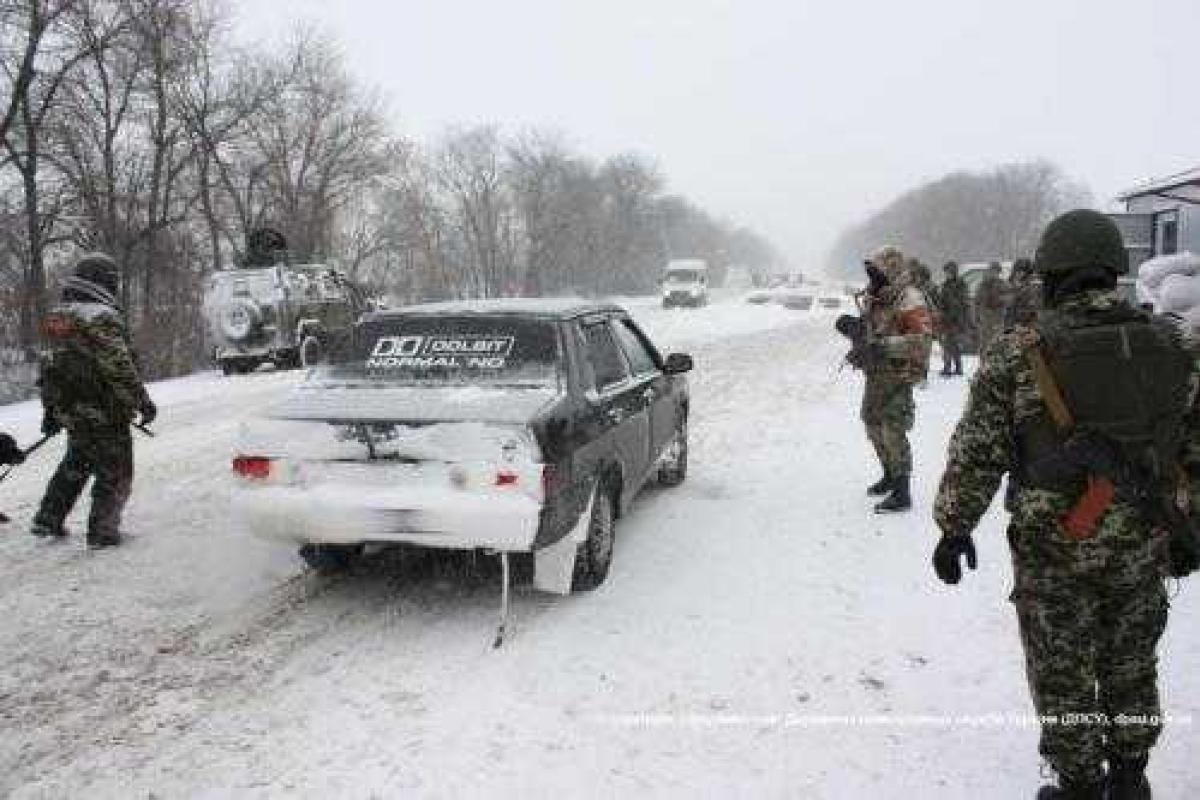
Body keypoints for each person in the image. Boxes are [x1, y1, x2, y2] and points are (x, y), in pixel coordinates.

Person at [930, 209, 1197, 800]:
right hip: (1143, 540)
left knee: (1063, 669)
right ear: (1114, 272)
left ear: (1051, 274)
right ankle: (1130, 777)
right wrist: (1186, 525)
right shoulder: (1176, 344)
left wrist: (954, 527)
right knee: (1131, 658)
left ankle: (1079, 785)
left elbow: (978, 449)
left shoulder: (1017, 353)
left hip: (1056, 548)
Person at [32, 252, 156, 547]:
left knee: (77, 461)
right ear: (103, 282)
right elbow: (118, 365)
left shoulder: (58, 316)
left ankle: (48, 517)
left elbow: (48, 367)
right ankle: (103, 531)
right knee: (116, 469)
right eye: (113, 282)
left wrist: (50, 409)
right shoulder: (100, 316)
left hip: (70, 408)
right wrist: (142, 401)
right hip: (105, 409)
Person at [859, 246, 934, 513]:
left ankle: (903, 491)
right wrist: (857, 337)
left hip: (900, 374)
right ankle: (890, 473)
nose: (872, 276)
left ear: (890, 268)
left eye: (877, 271)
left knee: (893, 429)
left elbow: (922, 341)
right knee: (872, 423)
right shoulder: (876, 296)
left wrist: (883, 345)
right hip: (876, 374)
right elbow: (871, 333)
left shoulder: (909, 297)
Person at [937, 261, 968, 376]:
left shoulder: (961, 284)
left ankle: (958, 367)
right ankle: (948, 367)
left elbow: (963, 302)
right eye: (946, 272)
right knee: (947, 344)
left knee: (953, 344)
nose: (947, 274)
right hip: (946, 319)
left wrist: (958, 316)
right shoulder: (945, 285)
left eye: (949, 272)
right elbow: (942, 301)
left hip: (957, 319)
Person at [973, 261, 1008, 352]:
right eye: (993, 271)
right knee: (984, 343)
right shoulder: (983, 285)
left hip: (998, 317)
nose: (994, 274)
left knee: (997, 342)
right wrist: (976, 316)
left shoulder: (1002, 284)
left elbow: (1009, 298)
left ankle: (993, 363)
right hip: (985, 317)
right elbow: (977, 301)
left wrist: (1000, 299)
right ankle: (984, 363)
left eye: (997, 272)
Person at [1007, 257, 1041, 326]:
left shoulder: (1033, 287)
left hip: (1027, 326)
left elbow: (1033, 309)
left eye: (1022, 271)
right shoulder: (1010, 286)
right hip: (1012, 324)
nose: (1019, 274)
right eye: (1017, 271)